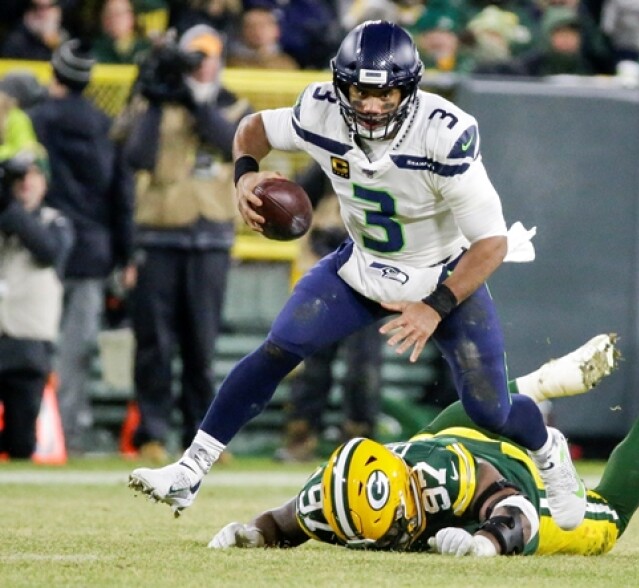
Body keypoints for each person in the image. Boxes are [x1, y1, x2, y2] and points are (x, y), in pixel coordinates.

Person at [129, 20, 596, 531]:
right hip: (362, 265)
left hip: (440, 274)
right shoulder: (321, 110)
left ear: (408, 88)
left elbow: (491, 244)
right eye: (360, 92)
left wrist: (435, 306)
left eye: (385, 92)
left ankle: (548, 450)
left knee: (490, 411)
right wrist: (244, 175)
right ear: (341, 85)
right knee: (280, 348)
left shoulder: (444, 133)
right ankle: (190, 470)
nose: (371, 105)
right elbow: (253, 129)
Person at [205, 338, 639, 555]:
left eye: (394, 522)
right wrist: (252, 533)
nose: (392, 537)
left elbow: (516, 509)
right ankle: (541, 382)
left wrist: (487, 541)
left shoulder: (441, 481)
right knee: (461, 420)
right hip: (450, 429)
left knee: (607, 520)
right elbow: (284, 521)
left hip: (508, 475)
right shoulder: (332, 499)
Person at [113, 24, 251, 462]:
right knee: (154, 342)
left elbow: (230, 144)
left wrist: (192, 100)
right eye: (194, 56)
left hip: (210, 237)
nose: (201, 65)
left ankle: (202, 436)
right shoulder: (153, 102)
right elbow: (136, 156)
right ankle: (151, 433)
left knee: (201, 344)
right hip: (159, 233)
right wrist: (156, 99)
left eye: (207, 56)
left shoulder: (233, 104)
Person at [27, 39, 135, 455]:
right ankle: (66, 433)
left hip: (37, 245)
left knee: (28, 340)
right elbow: (121, 196)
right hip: (92, 250)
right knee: (76, 349)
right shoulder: (104, 126)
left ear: (54, 72)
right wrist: (126, 255)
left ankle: (26, 427)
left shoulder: (34, 120)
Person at [276, 163, 382, 462]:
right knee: (313, 359)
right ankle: (302, 436)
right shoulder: (333, 153)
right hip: (327, 256)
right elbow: (298, 196)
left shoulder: (396, 161)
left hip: (371, 264)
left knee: (363, 364)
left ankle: (359, 441)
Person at [0, 149, 74, 459]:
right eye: (18, 178)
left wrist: (10, 209)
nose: (25, 184)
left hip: (27, 341)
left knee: (21, 438)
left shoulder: (56, 222)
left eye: (33, 176)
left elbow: (48, 251)